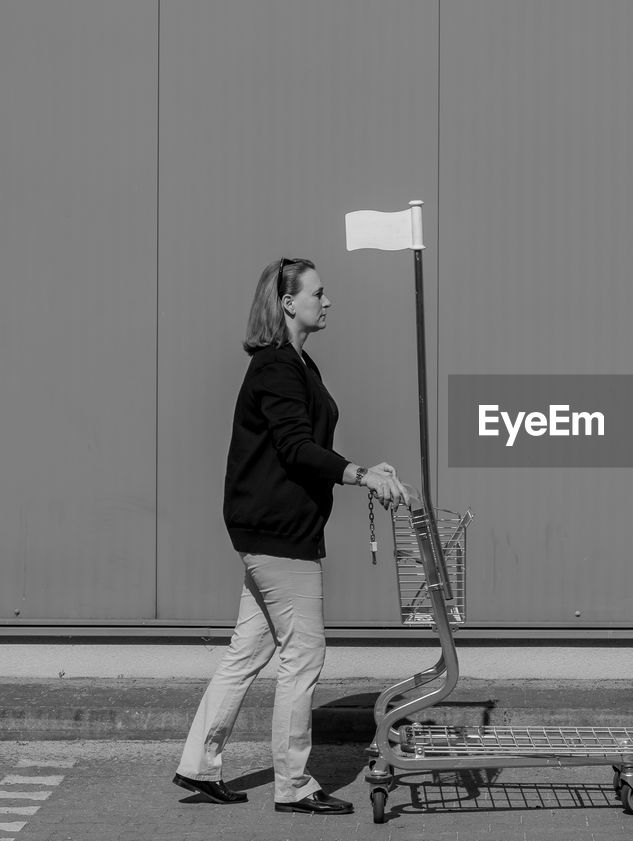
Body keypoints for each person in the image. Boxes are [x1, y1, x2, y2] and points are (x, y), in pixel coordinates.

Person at [173, 257, 408, 815]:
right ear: (287, 303)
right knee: (303, 655)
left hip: (271, 531)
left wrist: (363, 469)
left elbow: (302, 444)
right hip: (280, 536)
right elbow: (295, 447)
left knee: (247, 651)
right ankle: (295, 785)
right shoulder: (278, 367)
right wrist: (358, 474)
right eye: (318, 293)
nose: (327, 302)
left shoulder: (300, 365)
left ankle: (198, 766)